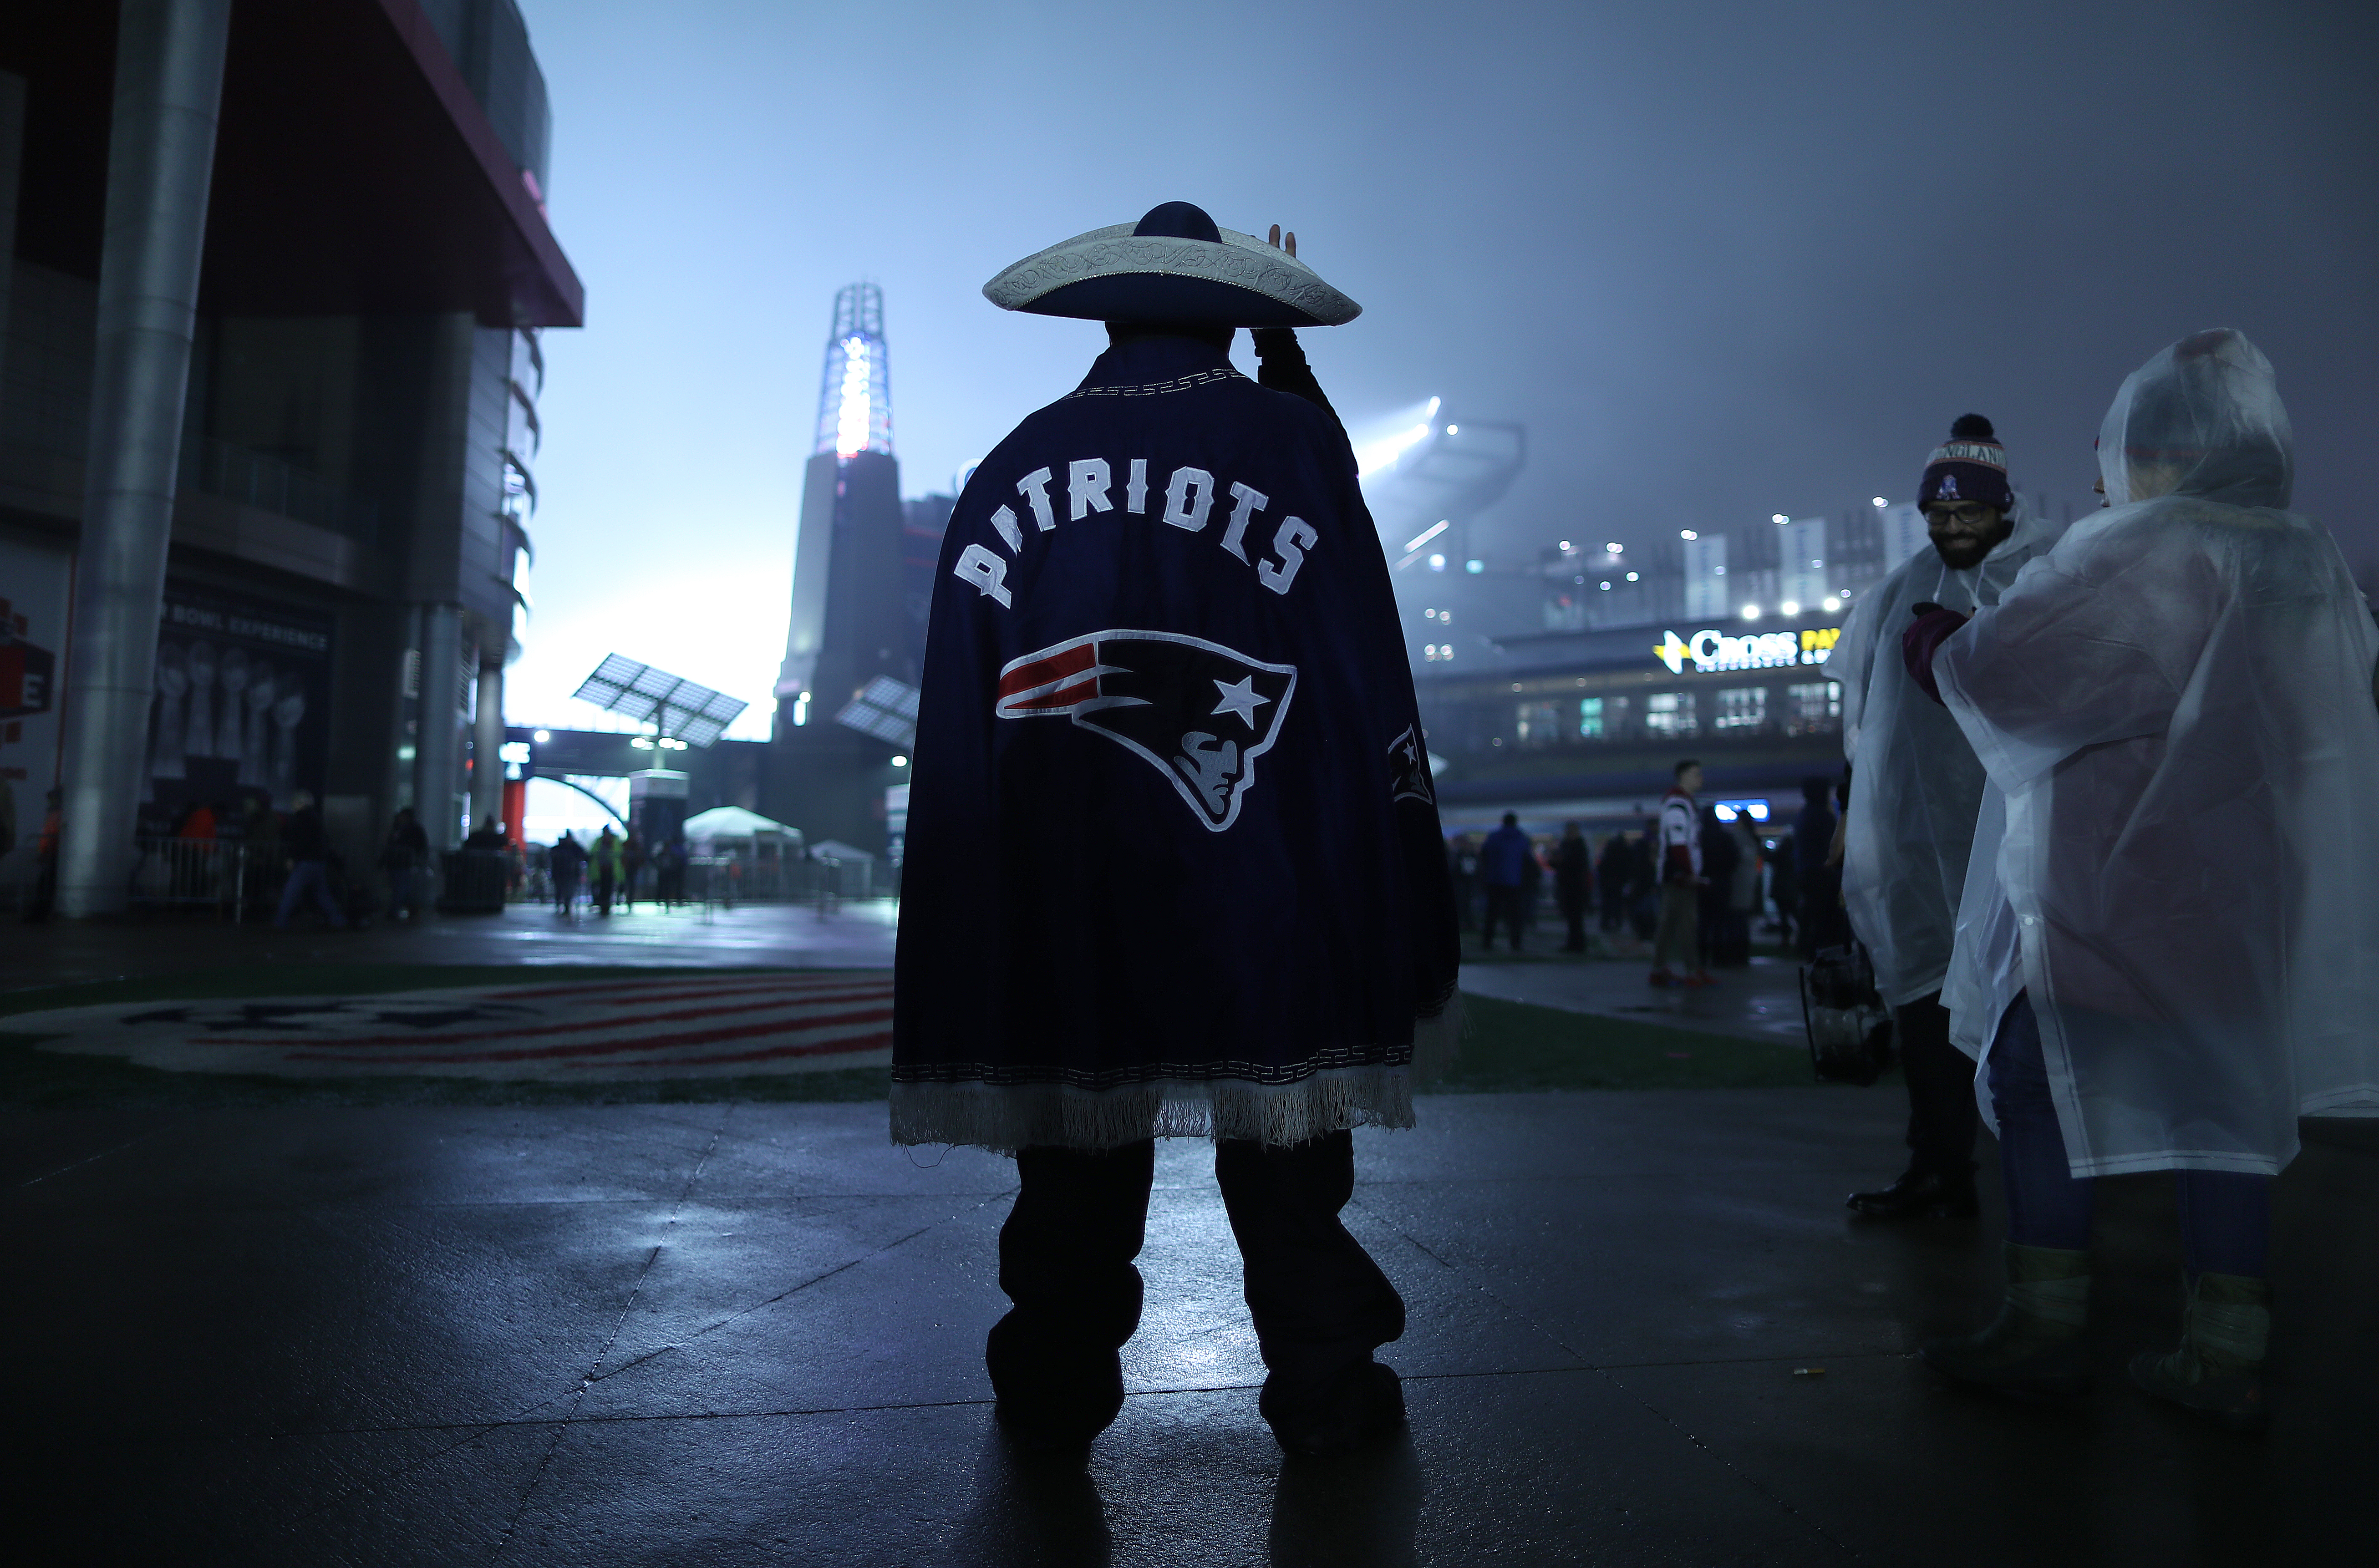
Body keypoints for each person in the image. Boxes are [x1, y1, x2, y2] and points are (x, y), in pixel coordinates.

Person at [892, 204, 1457, 1456]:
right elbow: (1354, 648)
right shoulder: (1284, 444)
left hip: (1069, 883)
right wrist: (1288, 360)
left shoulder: (1012, 465)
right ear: (1235, 314)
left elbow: (966, 711)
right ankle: (1325, 1392)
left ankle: (1048, 1393)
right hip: (1255, 871)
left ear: (1104, 312)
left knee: (1074, 1164)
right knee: (1288, 1155)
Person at [1908, 330, 2379, 1427]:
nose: (2097, 477)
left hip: (2113, 890)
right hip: (2249, 895)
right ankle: (2226, 1350)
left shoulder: (2144, 552)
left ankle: (2042, 1325)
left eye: (2117, 451)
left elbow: (2012, 676)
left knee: (2031, 1084)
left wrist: (1931, 641)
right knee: (2225, 1108)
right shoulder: (2303, 557)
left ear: (2164, 453)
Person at [1828, 415, 2066, 1222]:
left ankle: (2063, 1184)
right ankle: (1940, 1168)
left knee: (2035, 1008)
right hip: (1925, 839)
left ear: (2003, 508)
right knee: (1926, 1006)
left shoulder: (2051, 572)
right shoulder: (1901, 591)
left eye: (1968, 514)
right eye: (1939, 515)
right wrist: (1851, 813)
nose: (1952, 528)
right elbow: (1866, 715)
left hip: (2033, 839)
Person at [1651, 761, 1713, 987]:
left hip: (1676, 875)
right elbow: (1679, 844)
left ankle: (1662, 969)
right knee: (1686, 924)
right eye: (1697, 774)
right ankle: (1691, 971)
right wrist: (1689, 873)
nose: (1701, 779)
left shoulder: (1682, 803)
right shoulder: (1678, 804)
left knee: (1670, 923)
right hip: (1679, 877)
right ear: (1683, 776)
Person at [272, 791, 347, 929]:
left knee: (290, 892)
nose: (293, 805)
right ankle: (338, 921)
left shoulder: (302, 819)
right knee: (322, 894)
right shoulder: (315, 818)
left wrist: (292, 858)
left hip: (306, 862)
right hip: (317, 861)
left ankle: (280, 923)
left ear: (301, 804)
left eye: (295, 803)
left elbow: (301, 842)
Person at [1478, 811, 1531, 952]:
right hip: (1514, 882)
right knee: (1515, 915)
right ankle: (1516, 943)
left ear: (1503, 822)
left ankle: (1488, 942)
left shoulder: (1494, 837)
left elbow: (1484, 856)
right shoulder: (1521, 838)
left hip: (1494, 880)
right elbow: (1528, 860)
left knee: (1492, 913)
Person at [380, 807, 427, 920]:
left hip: (403, 863)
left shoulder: (405, 830)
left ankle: (396, 910)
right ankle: (410, 909)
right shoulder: (403, 829)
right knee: (403, 887)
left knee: (401, 887)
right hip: (399, 863)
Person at [23, 787, 62, 923]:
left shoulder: (57, 814)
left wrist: (45, 852)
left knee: (45, 885)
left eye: (53, 799)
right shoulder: (55, 814)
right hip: (53, 853)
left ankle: (40, 914)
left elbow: (51, 836)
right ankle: (40, 913)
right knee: (46, 885)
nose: (51, 801)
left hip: (54, 854)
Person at [1553, 821, 1591, 953]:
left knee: (1576, 918)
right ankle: (1573, 943)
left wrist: (1563, 861)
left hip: (1576, 887)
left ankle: (1577, 944)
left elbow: (1578, 865)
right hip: (1567, 885)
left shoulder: (1578, 847)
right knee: (1572, 918)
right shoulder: (1567, 845)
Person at [1595, 829, 1631, 934]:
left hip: (1607, 881)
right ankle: (1617, 922)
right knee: (1617, 903)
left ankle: (1605, 923)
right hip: (1619, 881)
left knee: (1606, 903)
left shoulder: (1609, 849)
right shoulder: (1625, 850)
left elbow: (1602, 866)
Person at [549, 830, 586, 916]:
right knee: (561, 890)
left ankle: (566, 907)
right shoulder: (569, 848)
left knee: (567, 891)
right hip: (563, 874)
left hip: (570, 874)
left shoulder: (569, 848)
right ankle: (563, 905)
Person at [1446, 832, 1478, 932]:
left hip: (1465, 882)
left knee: (1465, 903)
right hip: (1462, 882)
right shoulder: (1460, 855)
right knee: (1462, 903)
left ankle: (1466, 922)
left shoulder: (1461, 855)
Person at [590, 825, 623, 916]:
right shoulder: (600, 842)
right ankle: (603, 906)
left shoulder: (613, 842)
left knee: (608, 889)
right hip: (600, 870)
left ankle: (606, 906)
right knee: (602, 889)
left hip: (610, 870)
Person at [621, 830, 646, 911]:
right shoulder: (626, 845)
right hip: (627, 868)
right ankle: (625, 898)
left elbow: (641, 857)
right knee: (625, 884)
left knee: (631, 885)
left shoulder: (637, 846)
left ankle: (629, 900)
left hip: (633, 868)